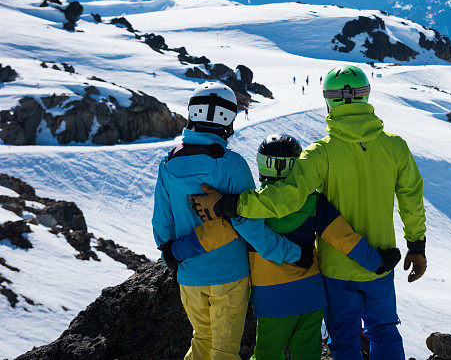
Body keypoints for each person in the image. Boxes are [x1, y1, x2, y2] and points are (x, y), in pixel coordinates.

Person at [190, 65, 427, 360]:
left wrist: (228, 205)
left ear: (329, 100)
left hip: (335, 268)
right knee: (384, 330)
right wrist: (416, 247)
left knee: (344, 336)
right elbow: (411, 200)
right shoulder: (395, 146)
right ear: (366, 96)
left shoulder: (320, 153)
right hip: (379, 258)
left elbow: (284, 199)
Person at [177, 133, 401, 360]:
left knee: (267, 354)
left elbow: (217, 234)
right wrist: (377, 261)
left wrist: (176, 250)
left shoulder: (250, 206)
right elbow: (344, 237)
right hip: (311, 295)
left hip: (272, 301)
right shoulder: (314, 202)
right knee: (307, 354)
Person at [153, 82, 306, 360]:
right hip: (230, 275)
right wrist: (294, 254)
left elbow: (161, 224)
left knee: (201, 340)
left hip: (189, 274)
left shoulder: (169, 162)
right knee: (225, 352)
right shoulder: (233, 164)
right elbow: (249, 224)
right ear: (229, 121)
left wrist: (174, 255)